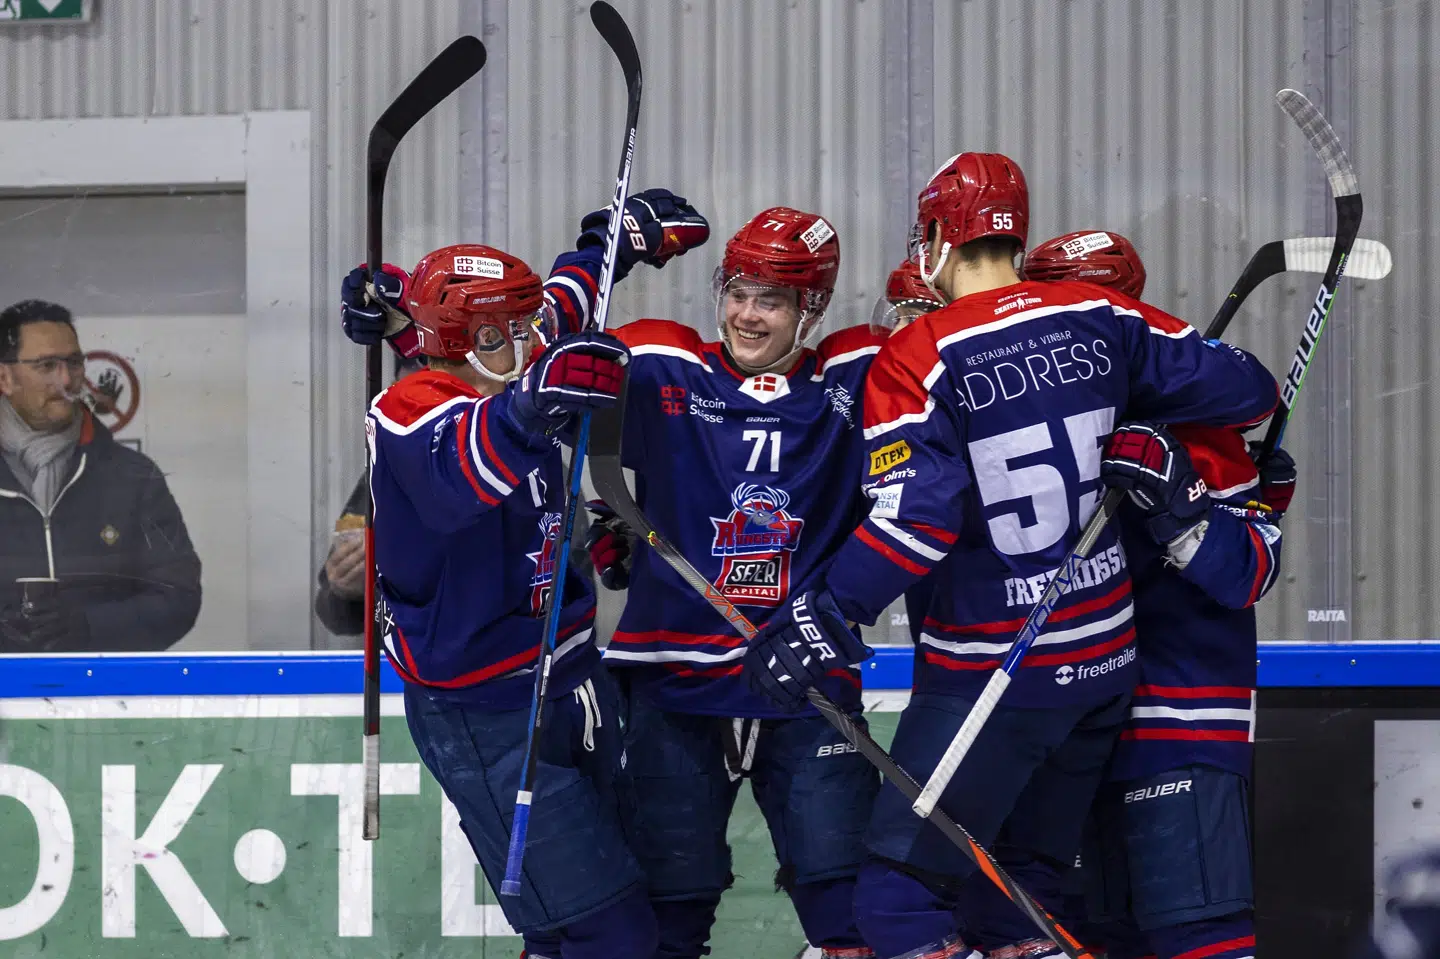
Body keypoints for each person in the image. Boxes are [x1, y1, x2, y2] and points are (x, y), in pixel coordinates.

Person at [742, 153, 1280, 959]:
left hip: (997, 673)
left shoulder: (920, 353)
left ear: (936, 235)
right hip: (1104, 667)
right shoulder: (1102, 315)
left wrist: (825, 616)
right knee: (1018, 897)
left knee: (896, 901)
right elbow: (1250, 390)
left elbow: (913, 524)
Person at [952, 230, 1291, 959]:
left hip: (1175, 723)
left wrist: (1183, 505)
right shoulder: (1008, 430)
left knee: (1201, 938)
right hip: (1055, 733)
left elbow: (1250, 571)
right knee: (1072, 939)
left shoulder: (1200, 429)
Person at [583, 205, 885, 958]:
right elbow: (538, 370)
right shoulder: (661, 361)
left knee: (850, 914)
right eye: (738, 291)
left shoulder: (859, 374)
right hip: (671, 681)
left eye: (773, 299)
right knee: (664, 919)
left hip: (806, 681)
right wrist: (408, 333)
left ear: (810, 307)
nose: (747, 314)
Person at [359, 242, 655, 958]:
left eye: (527, 327)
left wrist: (610, 245)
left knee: (564, 930)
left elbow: (565, 303)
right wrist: (534, 403)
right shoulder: (407, 409)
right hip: (486, 715)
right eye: (510, 331)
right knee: (614, 934)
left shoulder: (509, 358)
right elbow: (460, 472)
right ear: (467, 338)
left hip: (573, 683)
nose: (532, 339)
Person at [0, 299, 201, 652]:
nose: (66, 380)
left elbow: (178, 596)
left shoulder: (133, 476)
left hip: (107, 699)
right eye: (47, 365)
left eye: (74, 363)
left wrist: (89, 626)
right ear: (5, 377)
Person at [315, 354, 427, 638]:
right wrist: (344, 592)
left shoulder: (524, 474)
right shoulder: (382, 478)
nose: (413, 423)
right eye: (405, 405)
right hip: (400, 668)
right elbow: (333, 612)